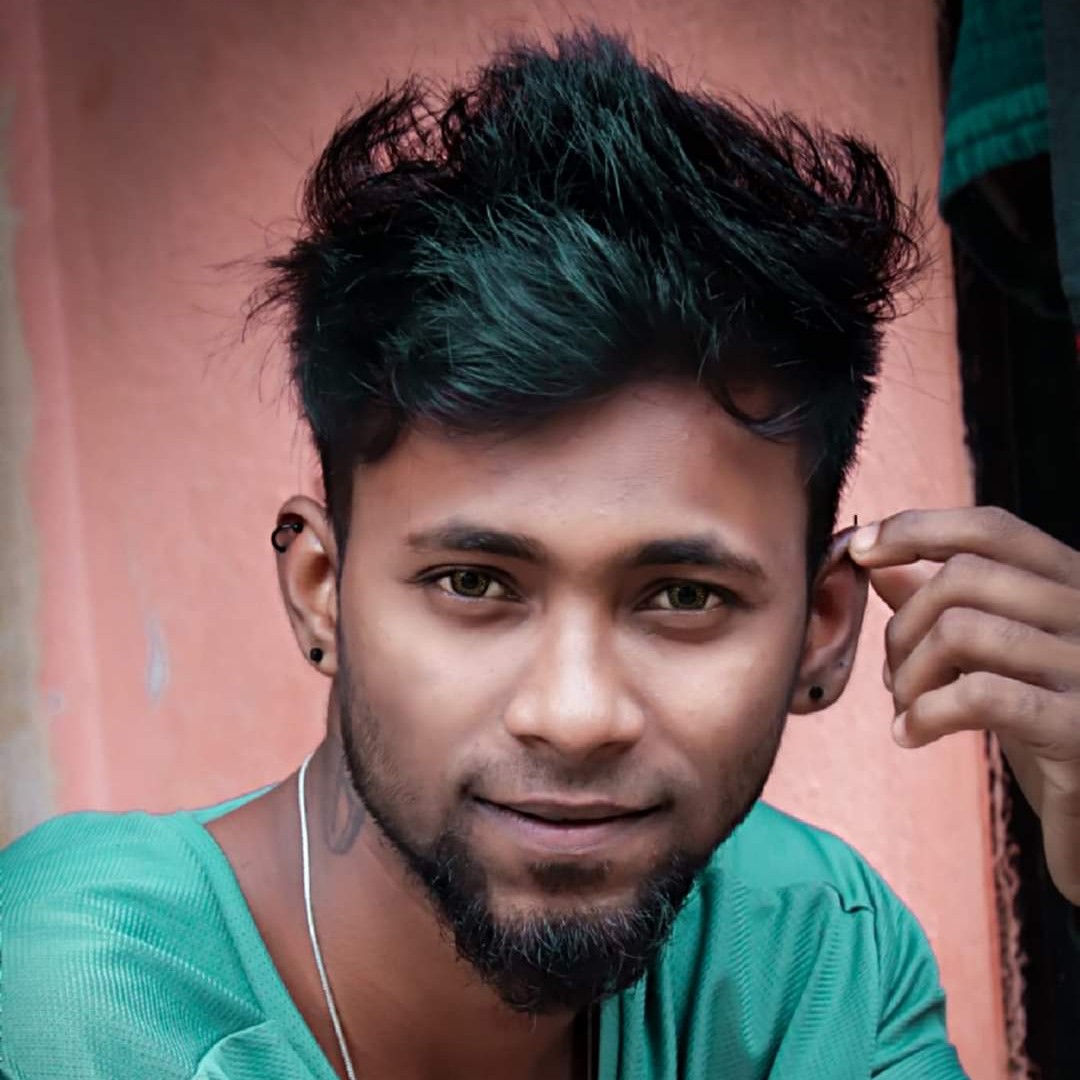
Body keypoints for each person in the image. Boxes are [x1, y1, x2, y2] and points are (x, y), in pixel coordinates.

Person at [2, 27, 1078, 1080]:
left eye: (684, 596)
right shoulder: (72, 1007)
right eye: (473, 583)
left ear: (823, 628)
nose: (574, 715)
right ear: (321, 592)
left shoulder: (808, 964)